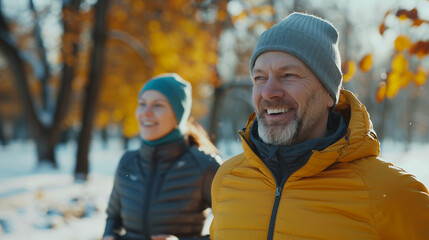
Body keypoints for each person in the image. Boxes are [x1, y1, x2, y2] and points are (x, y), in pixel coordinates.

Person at [209, 12, 429, 240]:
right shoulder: (227, 179)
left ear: (329, 94)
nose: (268, 92)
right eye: (259, 78)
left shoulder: (392, 194)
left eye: (289, 75)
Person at [103, 73, 221, 240]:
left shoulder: (205, 166)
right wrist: (109, 235)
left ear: (178, 115)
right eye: (142, 104)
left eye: (158, 105)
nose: (146, 113)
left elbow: (233, 230)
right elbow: (113, 217)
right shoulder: (127, 162)